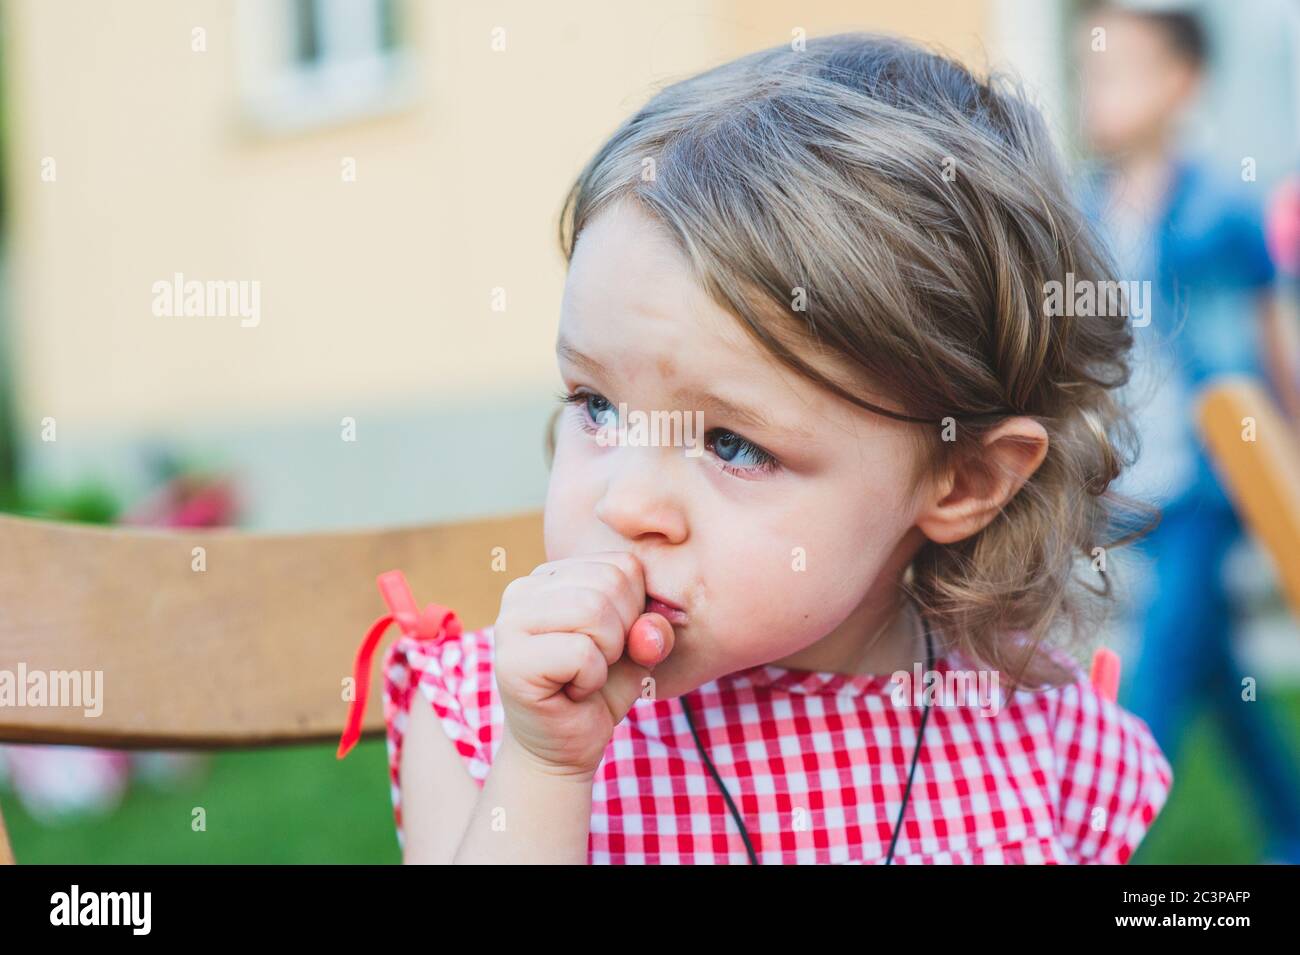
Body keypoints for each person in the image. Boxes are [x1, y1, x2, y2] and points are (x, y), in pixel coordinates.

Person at [343, 33, 1172, 864]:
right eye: (597, 405)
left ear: (965, 479)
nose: (623, 503)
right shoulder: (494, 721)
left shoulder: (1041, 740)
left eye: (732, 443)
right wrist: (546, 770)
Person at [1077, 2, 1300, 862]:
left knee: (1159, 667)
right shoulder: (1079, 209)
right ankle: (1289, 825)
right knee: (1219, 668)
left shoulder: (1220, 209)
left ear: (1182, 84)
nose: (1099, 89)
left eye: (1122, 71)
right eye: (1091, 71)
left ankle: (1096, 839)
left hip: (1208, 483)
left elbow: (1265, 347)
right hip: (1127, 485)